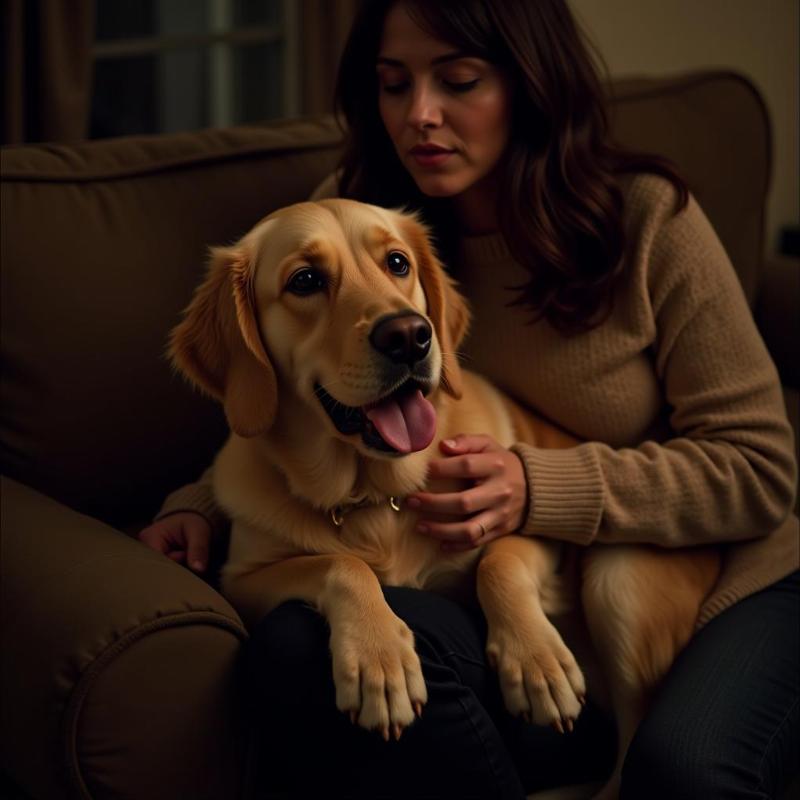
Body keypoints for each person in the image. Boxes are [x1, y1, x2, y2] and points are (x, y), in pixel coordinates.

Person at [138, 1, 799, 797]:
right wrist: (200, 508)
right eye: (393, 84)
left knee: (681, 773)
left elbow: (762, 471)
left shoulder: (649, 216)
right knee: (296, 645)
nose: (420, 115)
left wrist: (536, 487)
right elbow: (284, 396)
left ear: (529, 85)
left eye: (458, 80)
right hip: (481, 573)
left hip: (719, 572)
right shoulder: (359, 213)